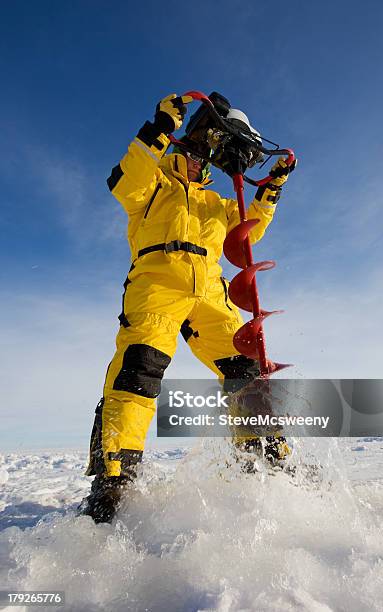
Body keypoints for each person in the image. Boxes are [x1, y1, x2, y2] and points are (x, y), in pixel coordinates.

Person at [81, 94, 296, 523]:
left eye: (206, 157)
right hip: (158, 283)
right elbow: (125, 180)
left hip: (211, 293)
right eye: (194, 152)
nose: (201, 161)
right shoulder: (153, 186)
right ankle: (114, 480)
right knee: (138, 371)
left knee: (245, 370)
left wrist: (271, 186)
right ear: (179, 150)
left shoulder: (215, 202)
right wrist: (161, 126)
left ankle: (263, 460)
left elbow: (250, 224)